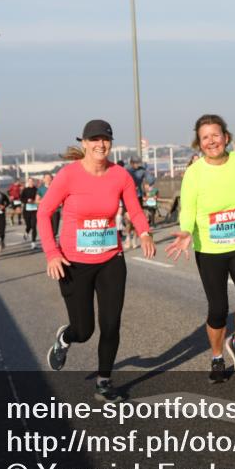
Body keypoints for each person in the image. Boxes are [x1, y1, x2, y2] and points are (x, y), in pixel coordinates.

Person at [43, 120, 156, 403]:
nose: (100, 144)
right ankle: (65, 338)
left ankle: (104, 381)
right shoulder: (68, 176)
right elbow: (44, 213)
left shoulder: (120, 175)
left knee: (111, 324)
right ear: (83, 143)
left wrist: (144, 233)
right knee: (84, 330)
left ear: (110, 142)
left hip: (110, 260)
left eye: (105, 139)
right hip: (73, 263)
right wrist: (52, 253)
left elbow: (135, 209)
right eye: (94, 139)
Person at [166, 114, 235, 384]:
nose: (211, 141)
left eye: (216, 135)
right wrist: (186, 231)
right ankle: (218, 356)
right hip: (210, 249)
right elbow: (189, 209)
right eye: (205, 137)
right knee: (218, 308)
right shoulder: (195, 172)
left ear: (226, 137)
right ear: (199, 143)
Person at [39, 173, 61, 240]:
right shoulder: (41, 189)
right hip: (45, 211)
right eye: (47, 178)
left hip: (55, 211)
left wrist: (60, 202)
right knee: (48, 230)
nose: (48, 179)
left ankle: (53, 240)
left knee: (55, 230)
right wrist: (45, 202)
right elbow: (37, 200)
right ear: (44, 179)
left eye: (50, 178)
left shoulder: (57, 188)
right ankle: (52, 244)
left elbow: (61, 198)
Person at [20, 177, 40, 249]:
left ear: (34, 182)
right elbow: (21, 198)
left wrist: (35, 201)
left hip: (35, 210)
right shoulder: (25, 190)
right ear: (28, 182)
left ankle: (33, 243)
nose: (31, 182)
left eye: (32, 181)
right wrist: (27, 200)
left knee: (34, 226)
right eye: (29, 181)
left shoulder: (37, 190)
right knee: (29, 226)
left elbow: (40, 197)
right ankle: (26, 232)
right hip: (27, 210)